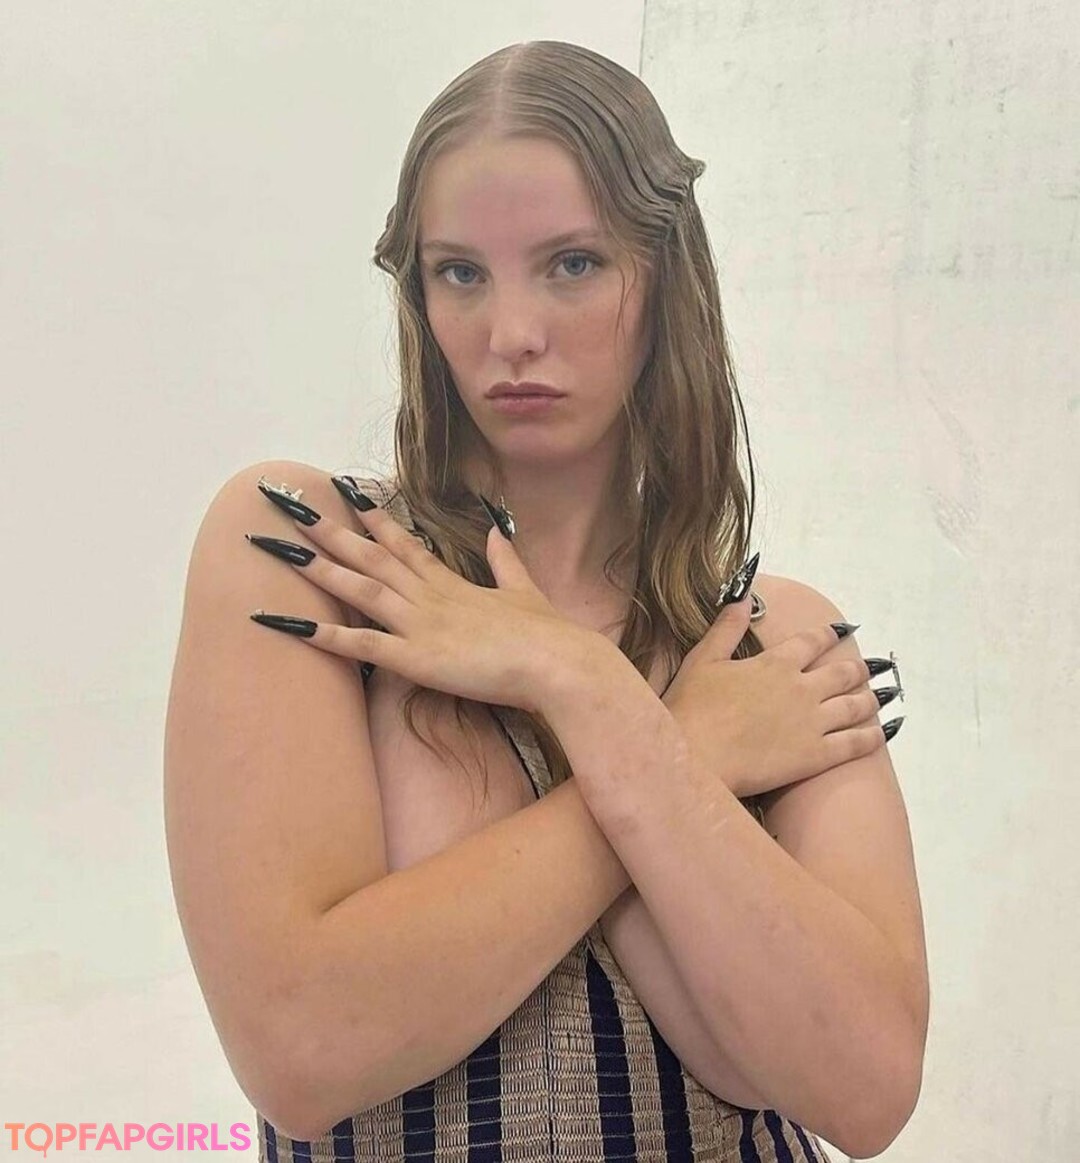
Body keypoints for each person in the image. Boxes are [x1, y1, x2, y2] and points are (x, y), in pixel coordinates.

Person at [164, 40, 928, 1162]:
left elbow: (865, 1092)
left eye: (572, 263)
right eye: (459, 273)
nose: (510, 332)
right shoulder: (316, 554)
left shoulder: (776, 637)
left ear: (664, 278)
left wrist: (573, 681)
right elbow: (304, 1050)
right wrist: (676, 751)